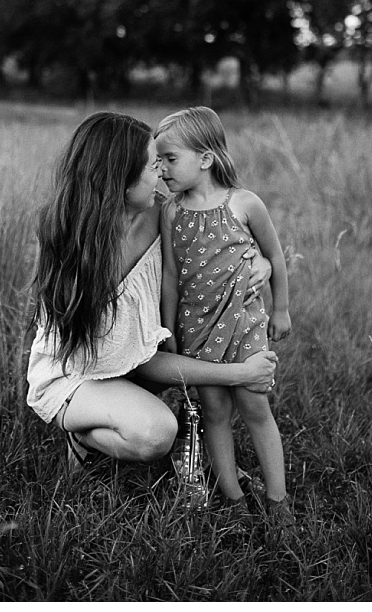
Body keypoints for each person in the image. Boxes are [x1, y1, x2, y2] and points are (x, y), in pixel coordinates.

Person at [26, 111, 277, 479]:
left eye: (162, 161)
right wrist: (239, 374)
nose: (161, 172)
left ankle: (188, 446)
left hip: (126, 367)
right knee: (156, 435)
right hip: (74, 375)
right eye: (151, 165)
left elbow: (216, 249)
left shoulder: (162, 213)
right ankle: (81, 434)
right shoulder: (71, 243)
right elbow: (145, 360)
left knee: (183, 349)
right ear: (121, 183)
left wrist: (260, 262)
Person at [156, 106, 295, 527]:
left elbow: (275, 256)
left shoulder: (244, 203)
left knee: (255, 408)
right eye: (158, 160)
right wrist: (169, 331)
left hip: (246, 323)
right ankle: (233, 498)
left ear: (205, 158)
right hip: (196, 329)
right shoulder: (171, 212)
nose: (160, 169)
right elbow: (170, 277)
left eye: (169, 158)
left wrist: (282, 308)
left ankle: (278, 502)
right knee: (214, 412)